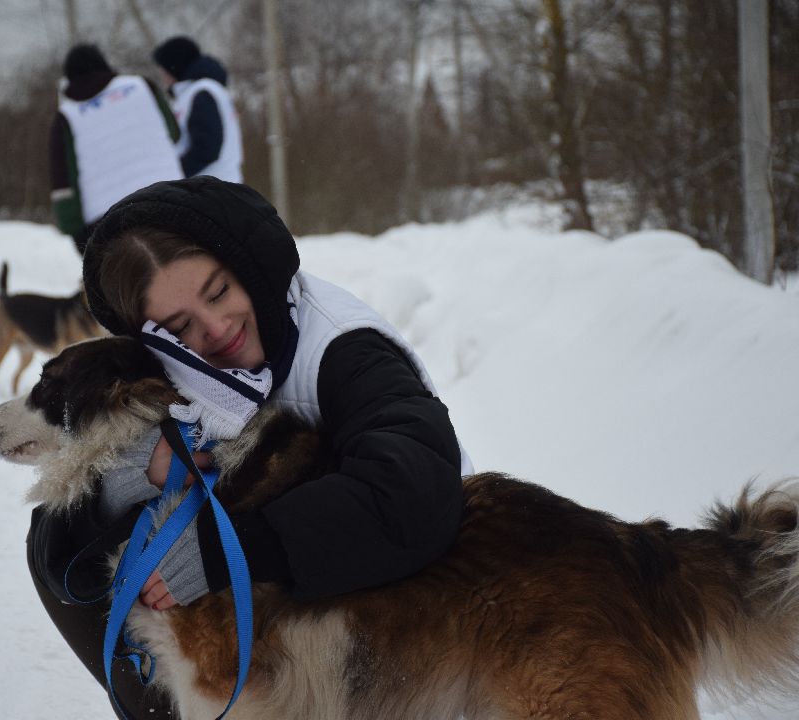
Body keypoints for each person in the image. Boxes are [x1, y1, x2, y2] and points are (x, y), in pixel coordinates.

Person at [27, 176, 473, 717]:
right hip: (296, 598)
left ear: (250, 267)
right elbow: (56, 554)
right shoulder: (174, 374)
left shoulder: (344, 351)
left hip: (423, 590)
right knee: (86, 535)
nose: (216, 329)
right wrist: (129, 482)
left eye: (219, 292)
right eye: (180, 325)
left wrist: (229, 549)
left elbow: (413, 491)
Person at [49, 43, 182, 255]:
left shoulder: (65, 117)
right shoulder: (142, 86)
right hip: (171, 200)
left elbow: (64, 184)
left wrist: (78, 236)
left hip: (109, 224)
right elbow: (174, 134)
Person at [151, 36, 244, 182]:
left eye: (163, 70)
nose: (163, 77)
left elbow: (207, 149)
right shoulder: (199, 92)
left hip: (211, 191)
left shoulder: (201, 93)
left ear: (173, 66)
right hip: (214, 188)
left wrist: (169, 175)